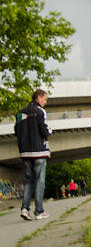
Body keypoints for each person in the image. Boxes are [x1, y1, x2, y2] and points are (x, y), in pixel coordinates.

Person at [14, 89, 50, 220]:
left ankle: (25, 208)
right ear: (39, 98)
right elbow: (44, 130)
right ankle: (39, 211)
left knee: (28, 180)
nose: (45, 102)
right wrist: (48, 132)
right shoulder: (40, 111)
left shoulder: (20, 113)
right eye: (45, 99)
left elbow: (16, 131)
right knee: (40, 180)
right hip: (39, 151)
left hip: (25, 151)